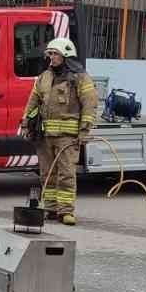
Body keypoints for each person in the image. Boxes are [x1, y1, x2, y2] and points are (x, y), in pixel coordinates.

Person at [22, 38, 97, 226]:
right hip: (45, 136)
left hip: (67, 137)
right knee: (47, 174)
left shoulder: (80, 78)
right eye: (50, 54)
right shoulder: (45, 77)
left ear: (66, 56)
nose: (52, 57)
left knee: (66, 174)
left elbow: (90, 104)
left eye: (55, 54)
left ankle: (66, 212)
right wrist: (26, 123)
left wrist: (84, 131)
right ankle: (51, 208)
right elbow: (33, 101)